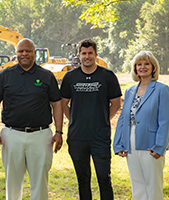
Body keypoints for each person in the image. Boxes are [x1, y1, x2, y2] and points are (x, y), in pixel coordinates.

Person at [0, 38, 63, 200]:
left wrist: (58, 131)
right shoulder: (5, 76)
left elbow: (57, 104)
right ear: (16, 54)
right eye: (21, 51)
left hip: (41, 135)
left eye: (28, 51)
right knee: (13, 182)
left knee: (40, 182)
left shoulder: (46, 76)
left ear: (34, 53)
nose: (24, 54)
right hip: (11, 135)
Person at [60, 38, 121, 200]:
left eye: (90, 53)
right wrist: (74, 118)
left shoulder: (107, 76)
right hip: (77, 137)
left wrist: (103, 119)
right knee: (83, 179)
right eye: (84, 53)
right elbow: (63, 103)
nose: (87, 56)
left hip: (100, 137)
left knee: (103, 177)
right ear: (78, 55)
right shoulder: (70, 77)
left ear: (96, 55)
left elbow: (115, 103)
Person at [113, 50, 169, 200]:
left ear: (153, 67)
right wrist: (118, 144)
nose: (142, 67)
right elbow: (123, 119)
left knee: (153, 188)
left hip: (151, 145)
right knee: (137, 186)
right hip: (130, 143)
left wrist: (160, 147)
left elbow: (165, 121)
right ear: (135, 68)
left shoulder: (162, 89)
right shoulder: (129, 91)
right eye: (139, 64)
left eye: (146, 64)